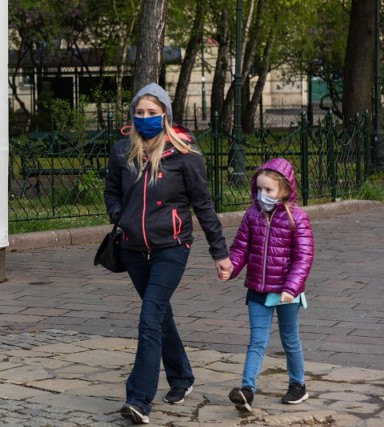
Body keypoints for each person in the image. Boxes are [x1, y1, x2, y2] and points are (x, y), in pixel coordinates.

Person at [103, 82, 233, 425]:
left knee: (149, 318)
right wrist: (120, 217)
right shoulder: (122, 151)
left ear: (165, 115)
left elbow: (203, 205)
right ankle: (182, 377)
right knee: (159, 315)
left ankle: (139, 400)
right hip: (132, 249)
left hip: (172, 247)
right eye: (139, 112)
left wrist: (220, 253)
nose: (145, 118)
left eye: (152, 112)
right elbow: (112, 192)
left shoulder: (184, 154)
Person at [225, 158, 314, 413]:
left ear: (284, 190)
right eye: (259, 189)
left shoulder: (297, 217)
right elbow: (241, 247)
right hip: (257, 289)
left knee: (289, 339)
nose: (262, 195)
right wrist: (230, 267)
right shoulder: (252, 215)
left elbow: (303, 256)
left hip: (287, 292)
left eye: (269, 190)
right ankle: (247, 390)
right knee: (256, 340)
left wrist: (291, 287)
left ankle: (298, 384)